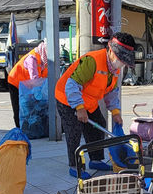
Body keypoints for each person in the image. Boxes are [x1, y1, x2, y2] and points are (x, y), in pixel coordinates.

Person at [55, 32, 136, 179]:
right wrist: (79, 108)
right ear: (110, 50)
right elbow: (72, 85)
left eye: (124, 61)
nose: (121, 63)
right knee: (74, 131)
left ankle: (96, 160)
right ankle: (75, 166)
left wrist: (116, 112)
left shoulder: (115, 69)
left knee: (98, 124)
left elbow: (111, 91)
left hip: (88, 101)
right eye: (120, 59)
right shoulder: (92, 61)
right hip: (67, 99)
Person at [7, 40, 48, 127]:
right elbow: (34, 78)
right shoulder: (32, 58)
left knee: (32, 107)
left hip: (27, 85)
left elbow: (45, 78)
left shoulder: (45, 62)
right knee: (18, 107)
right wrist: (39, 95)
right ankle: (19, 129)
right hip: (15, 82)